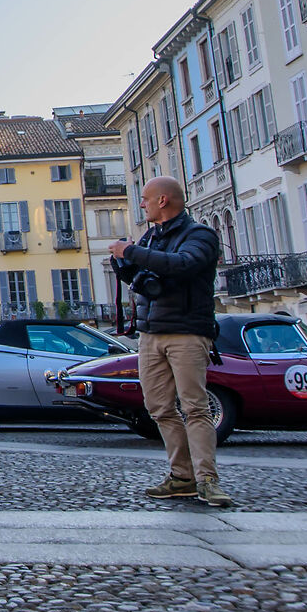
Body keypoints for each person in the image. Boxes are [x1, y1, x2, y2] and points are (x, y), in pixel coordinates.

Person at [110, 176, 230, 507]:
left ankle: (207, 479)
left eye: (146, 199)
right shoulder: (152, 238)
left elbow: (182, 266)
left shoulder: (200, 236)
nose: (142, 204)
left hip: (188, 332)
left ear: (163, 201)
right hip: (151, 333)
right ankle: (182, 477)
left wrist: (131, 251)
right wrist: (124, 265)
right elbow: (144, 278)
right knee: (158, 407)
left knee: (194, 406)